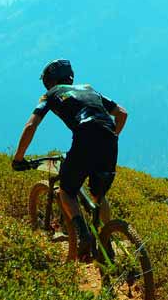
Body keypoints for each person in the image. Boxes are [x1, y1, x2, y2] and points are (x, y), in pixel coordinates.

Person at [12, 59, 127, 261]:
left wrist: (18, 157)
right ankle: (106, 240)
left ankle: (83, 235)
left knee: (66, 191)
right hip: (110, 140)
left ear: (49, 82)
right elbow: (122, 113)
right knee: (98, 195)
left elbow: (31, 126)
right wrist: (111, 136)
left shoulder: (50, 95)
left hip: (84, 137)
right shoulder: (89, 89)